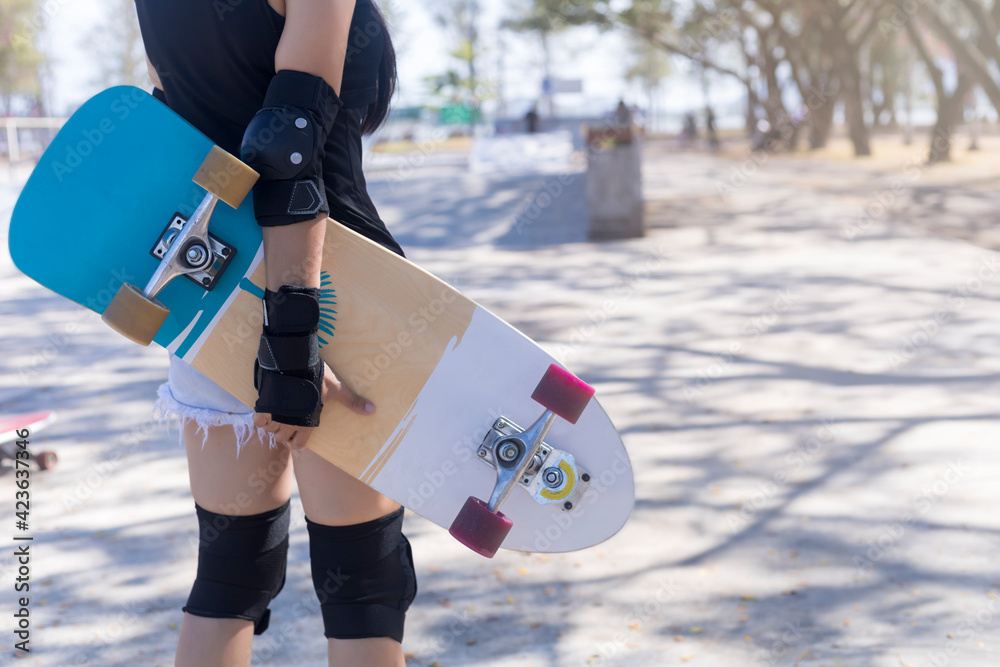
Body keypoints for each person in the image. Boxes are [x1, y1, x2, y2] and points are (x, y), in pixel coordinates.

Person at [134, 1, 415, 666]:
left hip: (212, 305)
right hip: (338, 307)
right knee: (364, 589)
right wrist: (293, 346)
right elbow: (287, 144)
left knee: (230, 576)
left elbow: (175, 134)